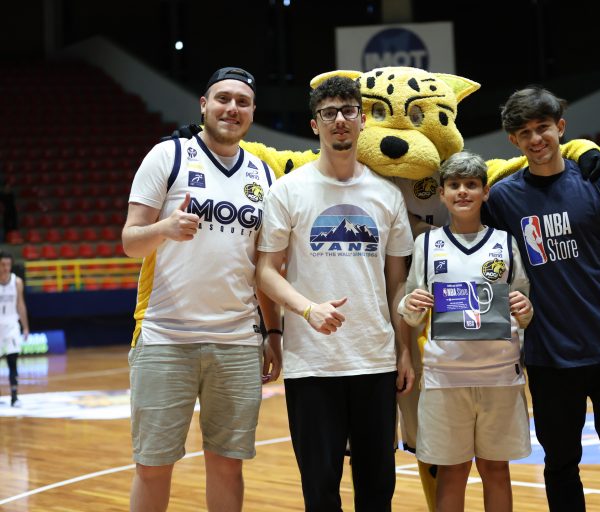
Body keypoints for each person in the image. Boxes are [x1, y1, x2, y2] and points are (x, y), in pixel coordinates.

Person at [483, 86, 600, 512]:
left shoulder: (596, 180)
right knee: (561, 464)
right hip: (549, 356)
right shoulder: (503, 198)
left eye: (543, 127)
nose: (536, 139)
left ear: (560, 127)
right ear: (513, 140)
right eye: (525, 132)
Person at [122, 66, 282, 512]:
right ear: (204, 105)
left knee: (228, 465)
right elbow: (130, 242)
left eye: (243, 102)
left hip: (237, 341)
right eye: (223, 98)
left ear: (252, 112)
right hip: (165, 336)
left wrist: (272, 333)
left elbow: (263, 267)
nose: (232, 108)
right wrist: (165, 228)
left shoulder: (263, 175)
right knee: (153, 465)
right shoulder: (168, 156)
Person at [255, 75, 415, 511]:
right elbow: (266, 271)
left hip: (374, 360)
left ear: (362, 120)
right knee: (320, 489)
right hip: (312, 364)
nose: (339, 120)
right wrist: (308, 310)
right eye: (329, 113)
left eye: (348, 111)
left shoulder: (387, 195)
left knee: (377, 489)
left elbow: (396, 282)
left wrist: (403, 350)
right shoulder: (288, 190)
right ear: (315, 125)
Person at [398, 151, 533, 512]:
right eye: (454, 185)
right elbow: (410, 308)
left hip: (500, 377)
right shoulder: (426, 244)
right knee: (452, 471)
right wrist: (411, 305)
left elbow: (523, 306)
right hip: (445, 378)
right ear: (442, 193)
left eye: (471, 184)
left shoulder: (505, 242)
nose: (462, 191)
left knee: (496, 469)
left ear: (485, 192)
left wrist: (525, 310)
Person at [0, 251, 29, 408]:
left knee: (12, 361)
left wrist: (25, 327)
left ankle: (14, 397)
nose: (6, 268)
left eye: (8, 265)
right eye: (3, 264)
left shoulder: (17, 282)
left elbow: (20, 304)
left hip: (11, 325)